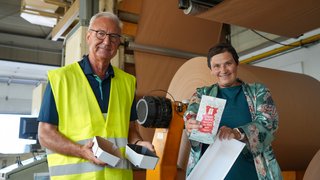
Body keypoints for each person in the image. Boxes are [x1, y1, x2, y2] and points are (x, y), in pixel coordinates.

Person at [37, 12, 154, 180]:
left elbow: (130, 130)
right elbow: (45, 135)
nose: (107, 42)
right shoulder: (60, 79)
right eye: (101, 34)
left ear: (118, 42)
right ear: (89, 36)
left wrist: (138, 144)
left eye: (114, 37)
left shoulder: (128, 82)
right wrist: (81, 151)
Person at [184, 43, 282, 179]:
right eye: (216, 66)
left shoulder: (257, 92)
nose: (223, 70)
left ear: (236, 64)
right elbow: (190, 115)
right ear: (211, 70)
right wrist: (190, 123)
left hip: (252, 173)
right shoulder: (202, 94)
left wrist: (237, 133)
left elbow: (269, 123)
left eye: (228, 63)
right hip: (211, 174)